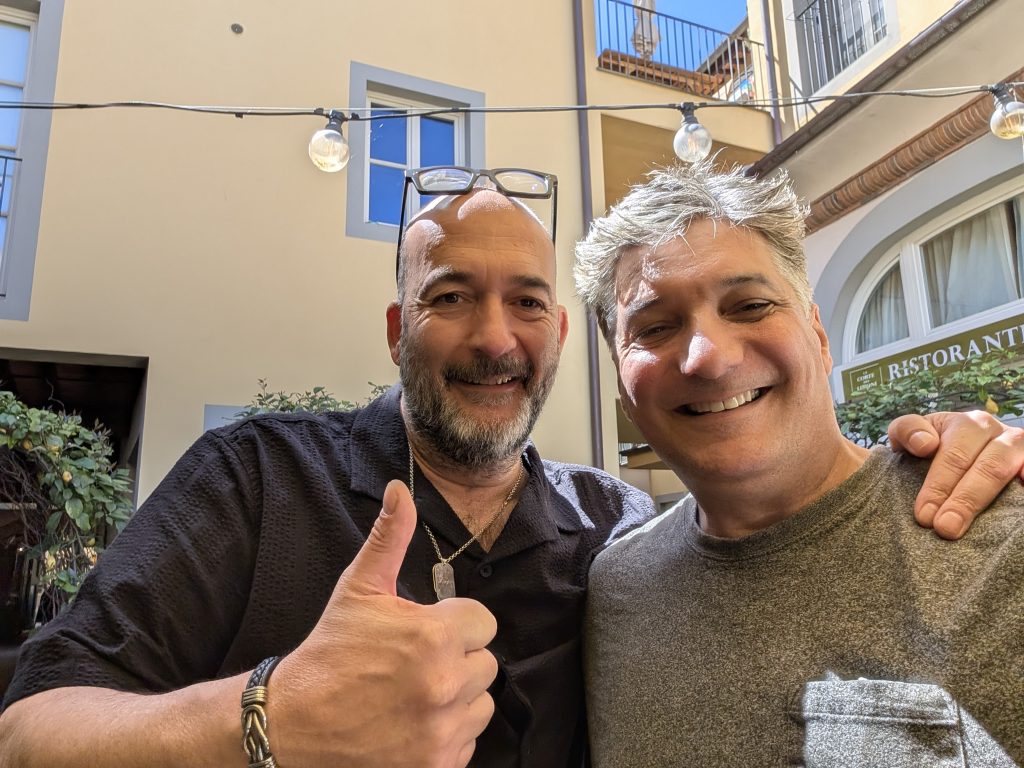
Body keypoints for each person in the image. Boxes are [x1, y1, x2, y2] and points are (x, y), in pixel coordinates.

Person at [0, 170, 1018, 768]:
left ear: (564, 338)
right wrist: (264, 721)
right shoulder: (255, 479)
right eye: (450, 297)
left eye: (527, 302)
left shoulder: (612, 533)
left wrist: (982, 442)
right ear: (398, 329)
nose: (495, 339)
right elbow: (27, 731)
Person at [577, 162, 1024, 766]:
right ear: (621, 382)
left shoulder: (1003, 538)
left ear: (819, 335)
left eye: (750, 306)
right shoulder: (614, 588)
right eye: (655, 328)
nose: (708, 357)